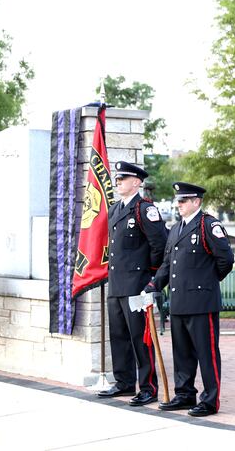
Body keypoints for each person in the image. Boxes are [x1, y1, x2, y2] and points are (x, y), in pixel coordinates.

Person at [144, 182, 234, 417]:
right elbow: (167, 264)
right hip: (179, 302)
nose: (179, 204)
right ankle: (184, 394)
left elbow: (225, 260)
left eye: (184, 200)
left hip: (202, 302)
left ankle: (210, 401)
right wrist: (154, 284)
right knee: (182, 352)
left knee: (207, 353)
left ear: (197, 202)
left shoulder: (208, 225)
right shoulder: (176, 229)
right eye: (178, 200)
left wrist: (207, 282)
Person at [98, 161, 168, 406]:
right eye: (117, 179)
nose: (118, 182)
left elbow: (160, 245)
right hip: (117, 283)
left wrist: (149, 276)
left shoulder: (145, 209)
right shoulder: (116, 208)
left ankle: (148, 387)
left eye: (123, 179)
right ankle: (125, 382)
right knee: (119, 336)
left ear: (137, 182)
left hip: (137, 283)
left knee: (141, 337)